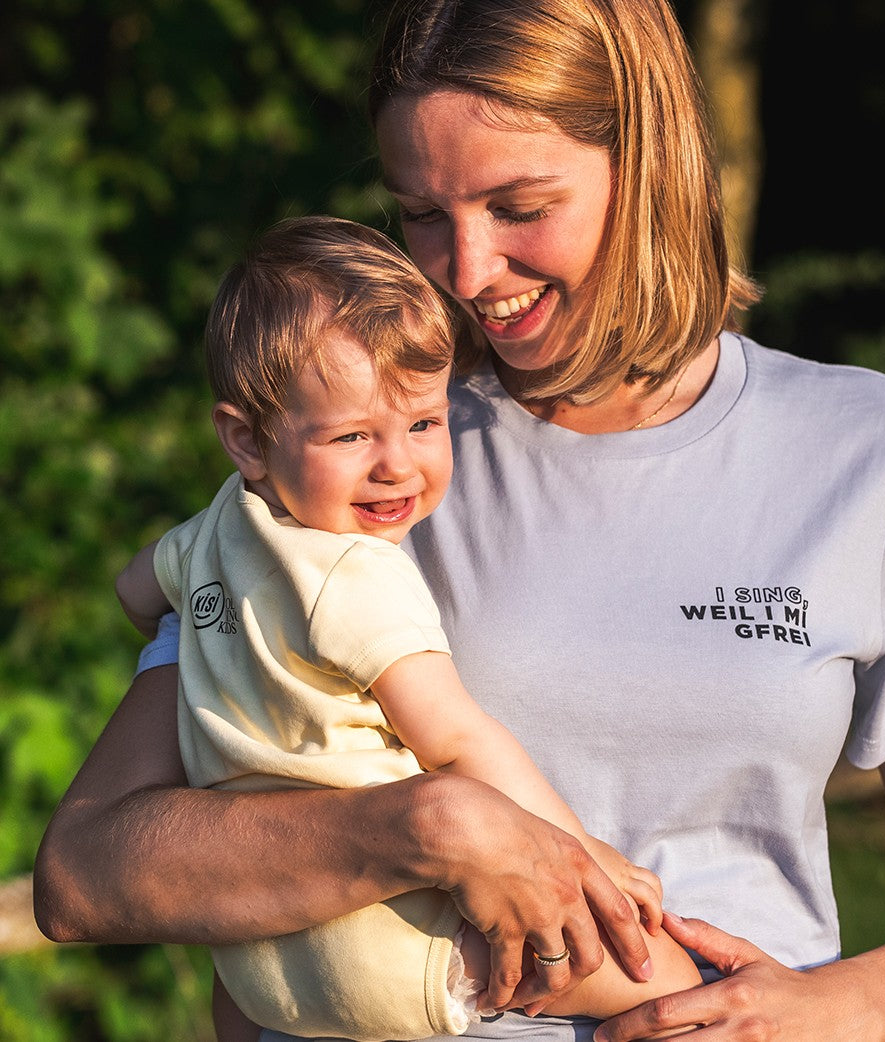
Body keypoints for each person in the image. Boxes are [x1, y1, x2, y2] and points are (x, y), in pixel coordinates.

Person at [35, 1, 885, 1041]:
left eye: (517, 204)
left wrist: (840, 1011)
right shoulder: (364, 455)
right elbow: (87, 871)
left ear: (644, 164)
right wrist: (423, 827)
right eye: (421, 214)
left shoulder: (865, 443)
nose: (464, 273)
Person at [113, 215, 700, 1040]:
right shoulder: (360, 573)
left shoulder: (213, 530)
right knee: (646, 967)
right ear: (246, 437)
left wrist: (214, 641)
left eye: (424, 424)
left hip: (254, 956)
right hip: (394, 947)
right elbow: (459, 745)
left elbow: (136, 591)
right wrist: (588, 862)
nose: (396, 464)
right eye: (353, 435)